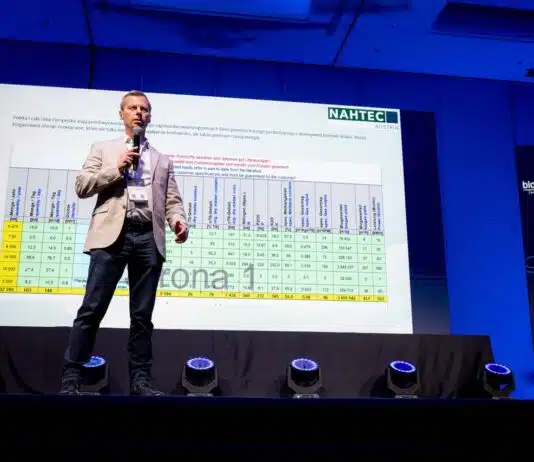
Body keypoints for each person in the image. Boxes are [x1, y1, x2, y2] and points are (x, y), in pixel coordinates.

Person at [59, 90, 188, 396]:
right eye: (132, 108)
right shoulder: (103, 149)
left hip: (148, 238)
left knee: (142, 317)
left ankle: (141, 382)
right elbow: (82, 186)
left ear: (150, 116)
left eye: (144, 109)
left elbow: (172, 201)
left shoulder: (163, 160)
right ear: (122, 114)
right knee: (92, 309)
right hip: (111, 236)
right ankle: (71, 379)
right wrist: (116, 167)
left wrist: (178, 221)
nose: (139, 112)